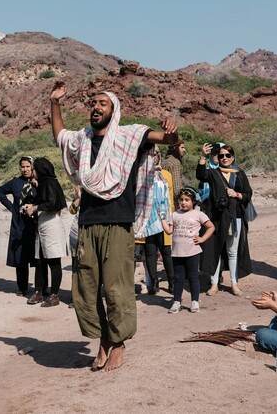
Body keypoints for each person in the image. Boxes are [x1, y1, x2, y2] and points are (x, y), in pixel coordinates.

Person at [50, 81, 178, 372]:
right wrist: (54, 102)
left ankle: (118, 343)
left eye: (102, 104)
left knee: (117, 289)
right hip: (88, 223)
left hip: (119, 224)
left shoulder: (129, 136)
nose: (96, 107)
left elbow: (166, 140)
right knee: (87, 288)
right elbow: (59, 135)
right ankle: (104, 341)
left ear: (114, 110)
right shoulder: (82, 139)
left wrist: (173, 132)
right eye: (93, 103)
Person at [196, 143, 253, 296]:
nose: (224, 158)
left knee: (232, 251)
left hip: (235, 217)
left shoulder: (240, 174)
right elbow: (201, 175)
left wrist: (237, 195)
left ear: (233, 157)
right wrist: (203, 156)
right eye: (221, 156)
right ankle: (214, 284)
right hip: (217, 218)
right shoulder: (214, 173)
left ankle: (234, 284)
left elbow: (248, 193)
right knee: (216, 249)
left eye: (228, 155)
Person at [159, 187, 214, 313]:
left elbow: (211, 227)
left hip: (192, 252)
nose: (183, 202)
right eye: (181, 200)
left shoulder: (198, 214)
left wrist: (202, 239)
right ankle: (176, 302)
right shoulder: (174, 214)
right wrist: (162, 219)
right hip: (177, 253)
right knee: (178, 278)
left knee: (193, 277)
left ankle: (194, 302)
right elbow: (169, 231)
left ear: (193, 201)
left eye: (187, 200)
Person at [23, 157, 68, 307]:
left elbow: (52, 203)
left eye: (34, 168)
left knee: (54, 261)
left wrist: (35, 208)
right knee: (40, 261)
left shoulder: (50, 183)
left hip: (52, 226)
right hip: (42, 227)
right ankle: (39, 291)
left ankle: (54, 295)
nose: (32, 171)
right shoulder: (44, 184)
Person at [0, 156, 41, 299]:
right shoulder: (15, 182)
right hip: (19, 224)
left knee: (37, 256)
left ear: (32, 167)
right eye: (23, 166)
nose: (25, 169)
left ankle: (40, 287)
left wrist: (38, 184)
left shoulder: (38, 183)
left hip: (34, 224)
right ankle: (22, 287)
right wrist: (12, 207)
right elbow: (0, 191)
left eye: (28, 166)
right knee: (20, 256)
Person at [141, 145, 175, 295]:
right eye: (151, 154)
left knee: (166, 250)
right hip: (148, 217)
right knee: (150, 251)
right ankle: (153, 283)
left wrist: (172, 218)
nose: (154, 157)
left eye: (156, 154)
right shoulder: (141, 174)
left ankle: (172, 282)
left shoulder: (166, 174)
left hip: (164, 216)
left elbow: (171, 197)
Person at [162, 139, 185, 208]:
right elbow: (176, 190)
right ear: (175, 148)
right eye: (182, 147)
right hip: (173, 202)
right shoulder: (175, 163)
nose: (184, 150)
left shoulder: (165, 161)